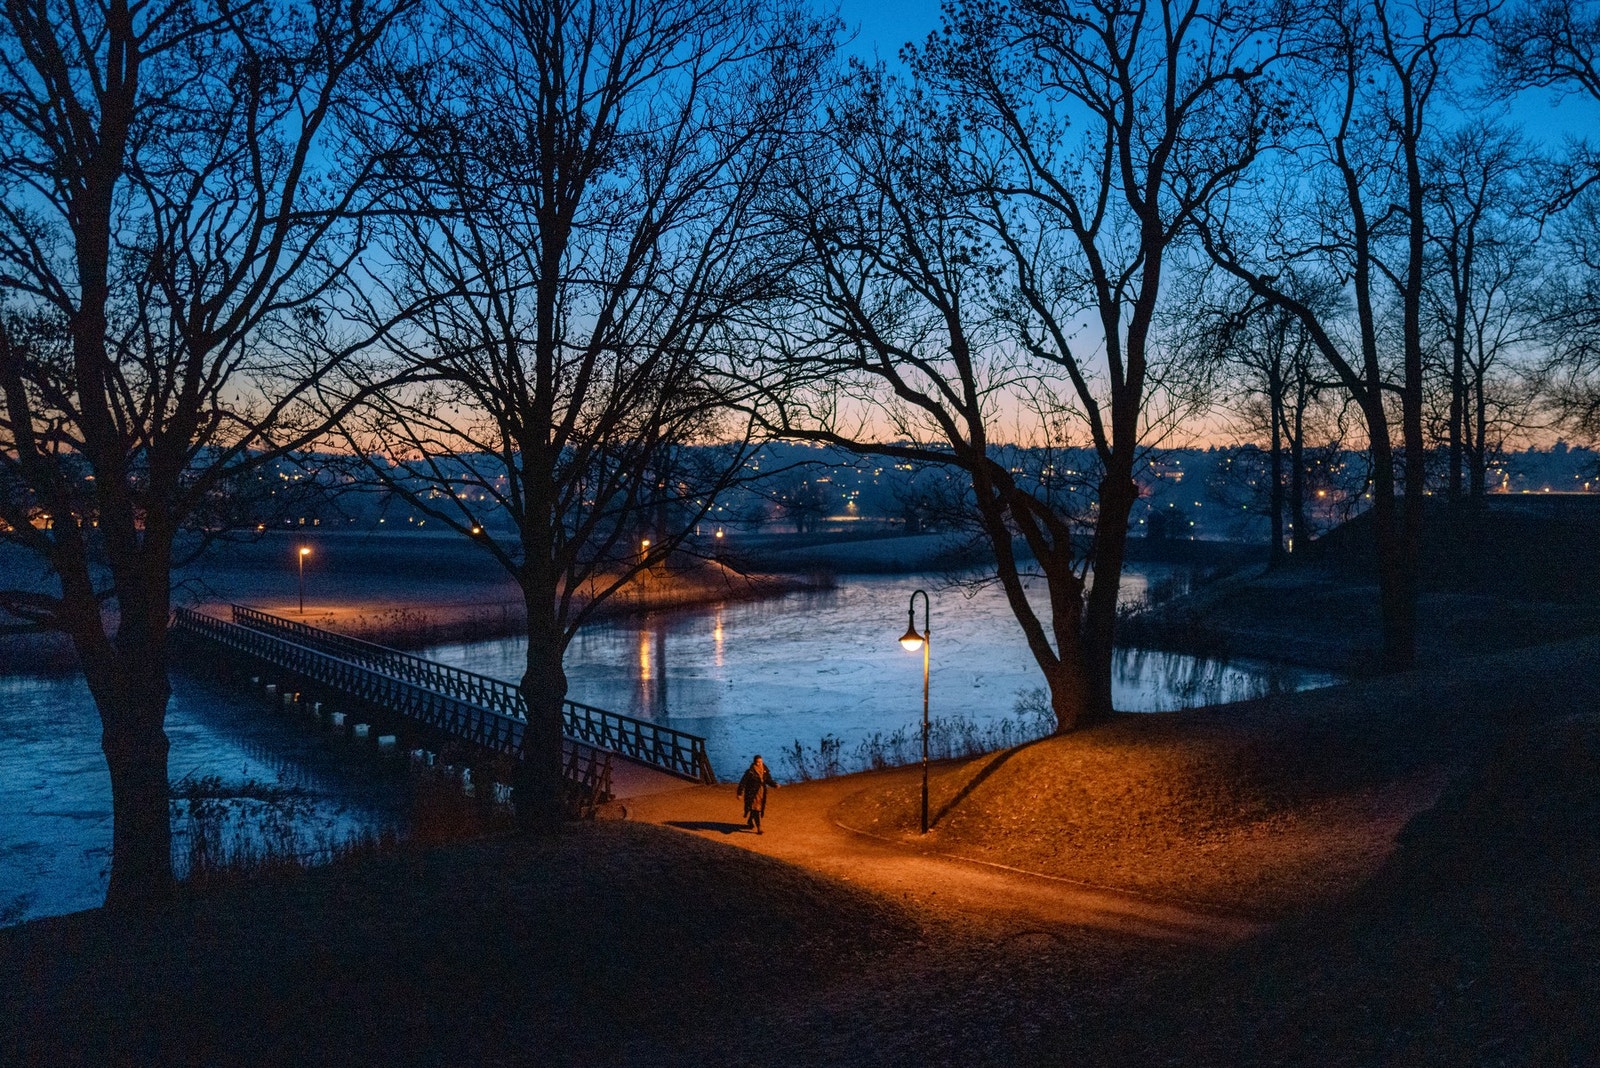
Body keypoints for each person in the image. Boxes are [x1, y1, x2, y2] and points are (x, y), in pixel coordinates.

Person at [736, 754, 778, 834]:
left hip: (761, 792)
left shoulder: (765, 770)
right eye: (758, 762)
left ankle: (750, 821)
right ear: (755, 762)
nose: (759, 764)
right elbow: (743, 782)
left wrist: (774, 784)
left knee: (757, 808)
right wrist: (739, 793)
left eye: (761, 762)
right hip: (752, 793)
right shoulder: (750, 772)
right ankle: (759, 828)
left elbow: (768, 780)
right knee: (755, 809)